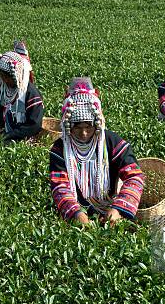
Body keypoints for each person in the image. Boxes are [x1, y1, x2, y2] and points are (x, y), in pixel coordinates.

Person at [49, 78, 145, 225]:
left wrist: (118, 209)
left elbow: (135, 177)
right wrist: (77, 214)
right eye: (77, 128)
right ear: (68, 125)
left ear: (97, 123)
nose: (84, 133)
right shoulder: (60, 148)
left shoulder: (111, 142)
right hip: (76, 213)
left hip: (110, 207)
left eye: (89, 127)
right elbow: (60, 186)